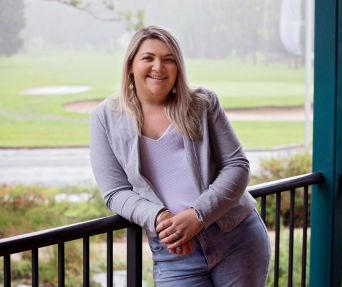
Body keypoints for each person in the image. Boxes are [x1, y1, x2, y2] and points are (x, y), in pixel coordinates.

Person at [90, 25, 270, 286]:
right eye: (148, 58)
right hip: (174, 254)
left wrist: (198, 215)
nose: (158, 67)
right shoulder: (104, 118)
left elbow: (237, 166)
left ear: (178, 67)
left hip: (237, 239)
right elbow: (115, 191)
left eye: (169, 59)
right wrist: (159, 217)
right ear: (131, 65)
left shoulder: (203, 104)